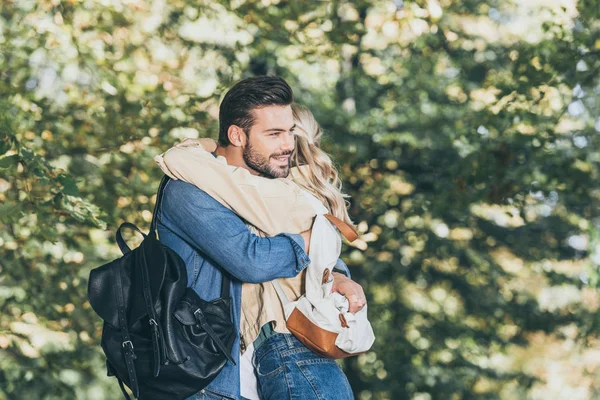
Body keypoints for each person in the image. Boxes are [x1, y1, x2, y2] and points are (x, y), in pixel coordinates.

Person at [156, 76, 366, 400]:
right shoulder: (188, 190)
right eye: (274, 134)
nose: (288, 145)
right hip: (210, 375)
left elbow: (314, 253)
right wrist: (315, 238)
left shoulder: (271, 190)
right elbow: (251, 260)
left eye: (290, 132)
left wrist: (339, 276)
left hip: (289, 352)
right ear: (237, 135)